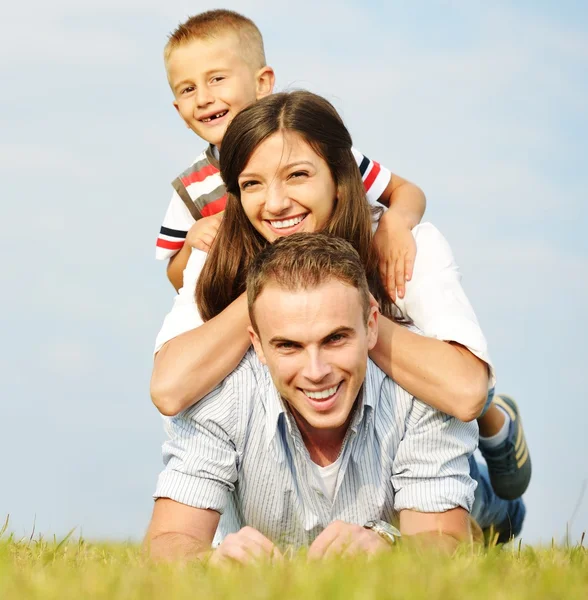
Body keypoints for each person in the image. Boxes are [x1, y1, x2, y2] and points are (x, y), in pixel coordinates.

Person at [151, 90, 531, 505]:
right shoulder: (217, 257)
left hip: (416, 476)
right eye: (252, 185)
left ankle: (496, 499)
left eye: (297, 175)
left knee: (489, 509)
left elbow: (464, 392)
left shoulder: (403, 246)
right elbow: (170, 390)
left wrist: (346, 302)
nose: (275, 204)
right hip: (291, 491)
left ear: (338, 179)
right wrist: (271, 288)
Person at [146, 233, 483, 563]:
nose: (316, 371)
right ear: (258, 345)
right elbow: (168, 540)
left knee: (486, 518)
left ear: (372, 326)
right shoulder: (222, 396)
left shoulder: (421, 393)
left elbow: (445, 542)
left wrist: (390, 551)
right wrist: (210, 564)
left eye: (335, 339)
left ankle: (498, 434)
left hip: (470, 484)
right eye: (288, 346)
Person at [155, 9, 426, 301]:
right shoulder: (191, 188)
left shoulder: (313, 147)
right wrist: (191, 244)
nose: (203, 98)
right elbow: (177, 278)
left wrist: (394, 223)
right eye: (188, 89)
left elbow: (406, 191)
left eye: (217, 79)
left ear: (262, 83)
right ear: (179, 112)